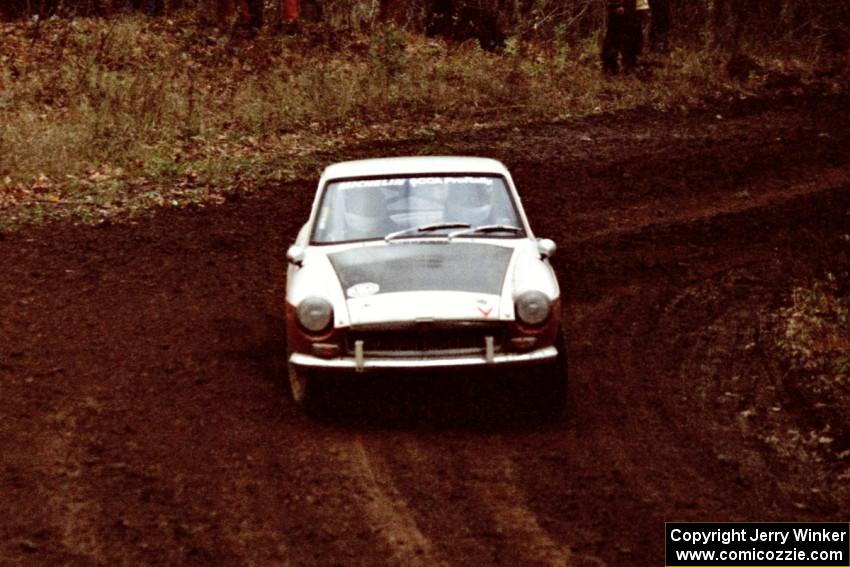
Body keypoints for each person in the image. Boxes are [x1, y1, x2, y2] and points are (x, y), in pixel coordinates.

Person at [601, 0, 641, 74]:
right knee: (613, 39)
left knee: (631, 40)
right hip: (618, 9)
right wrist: (618, 6)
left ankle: (629, 67)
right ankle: (610, 67)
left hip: (631, 10)